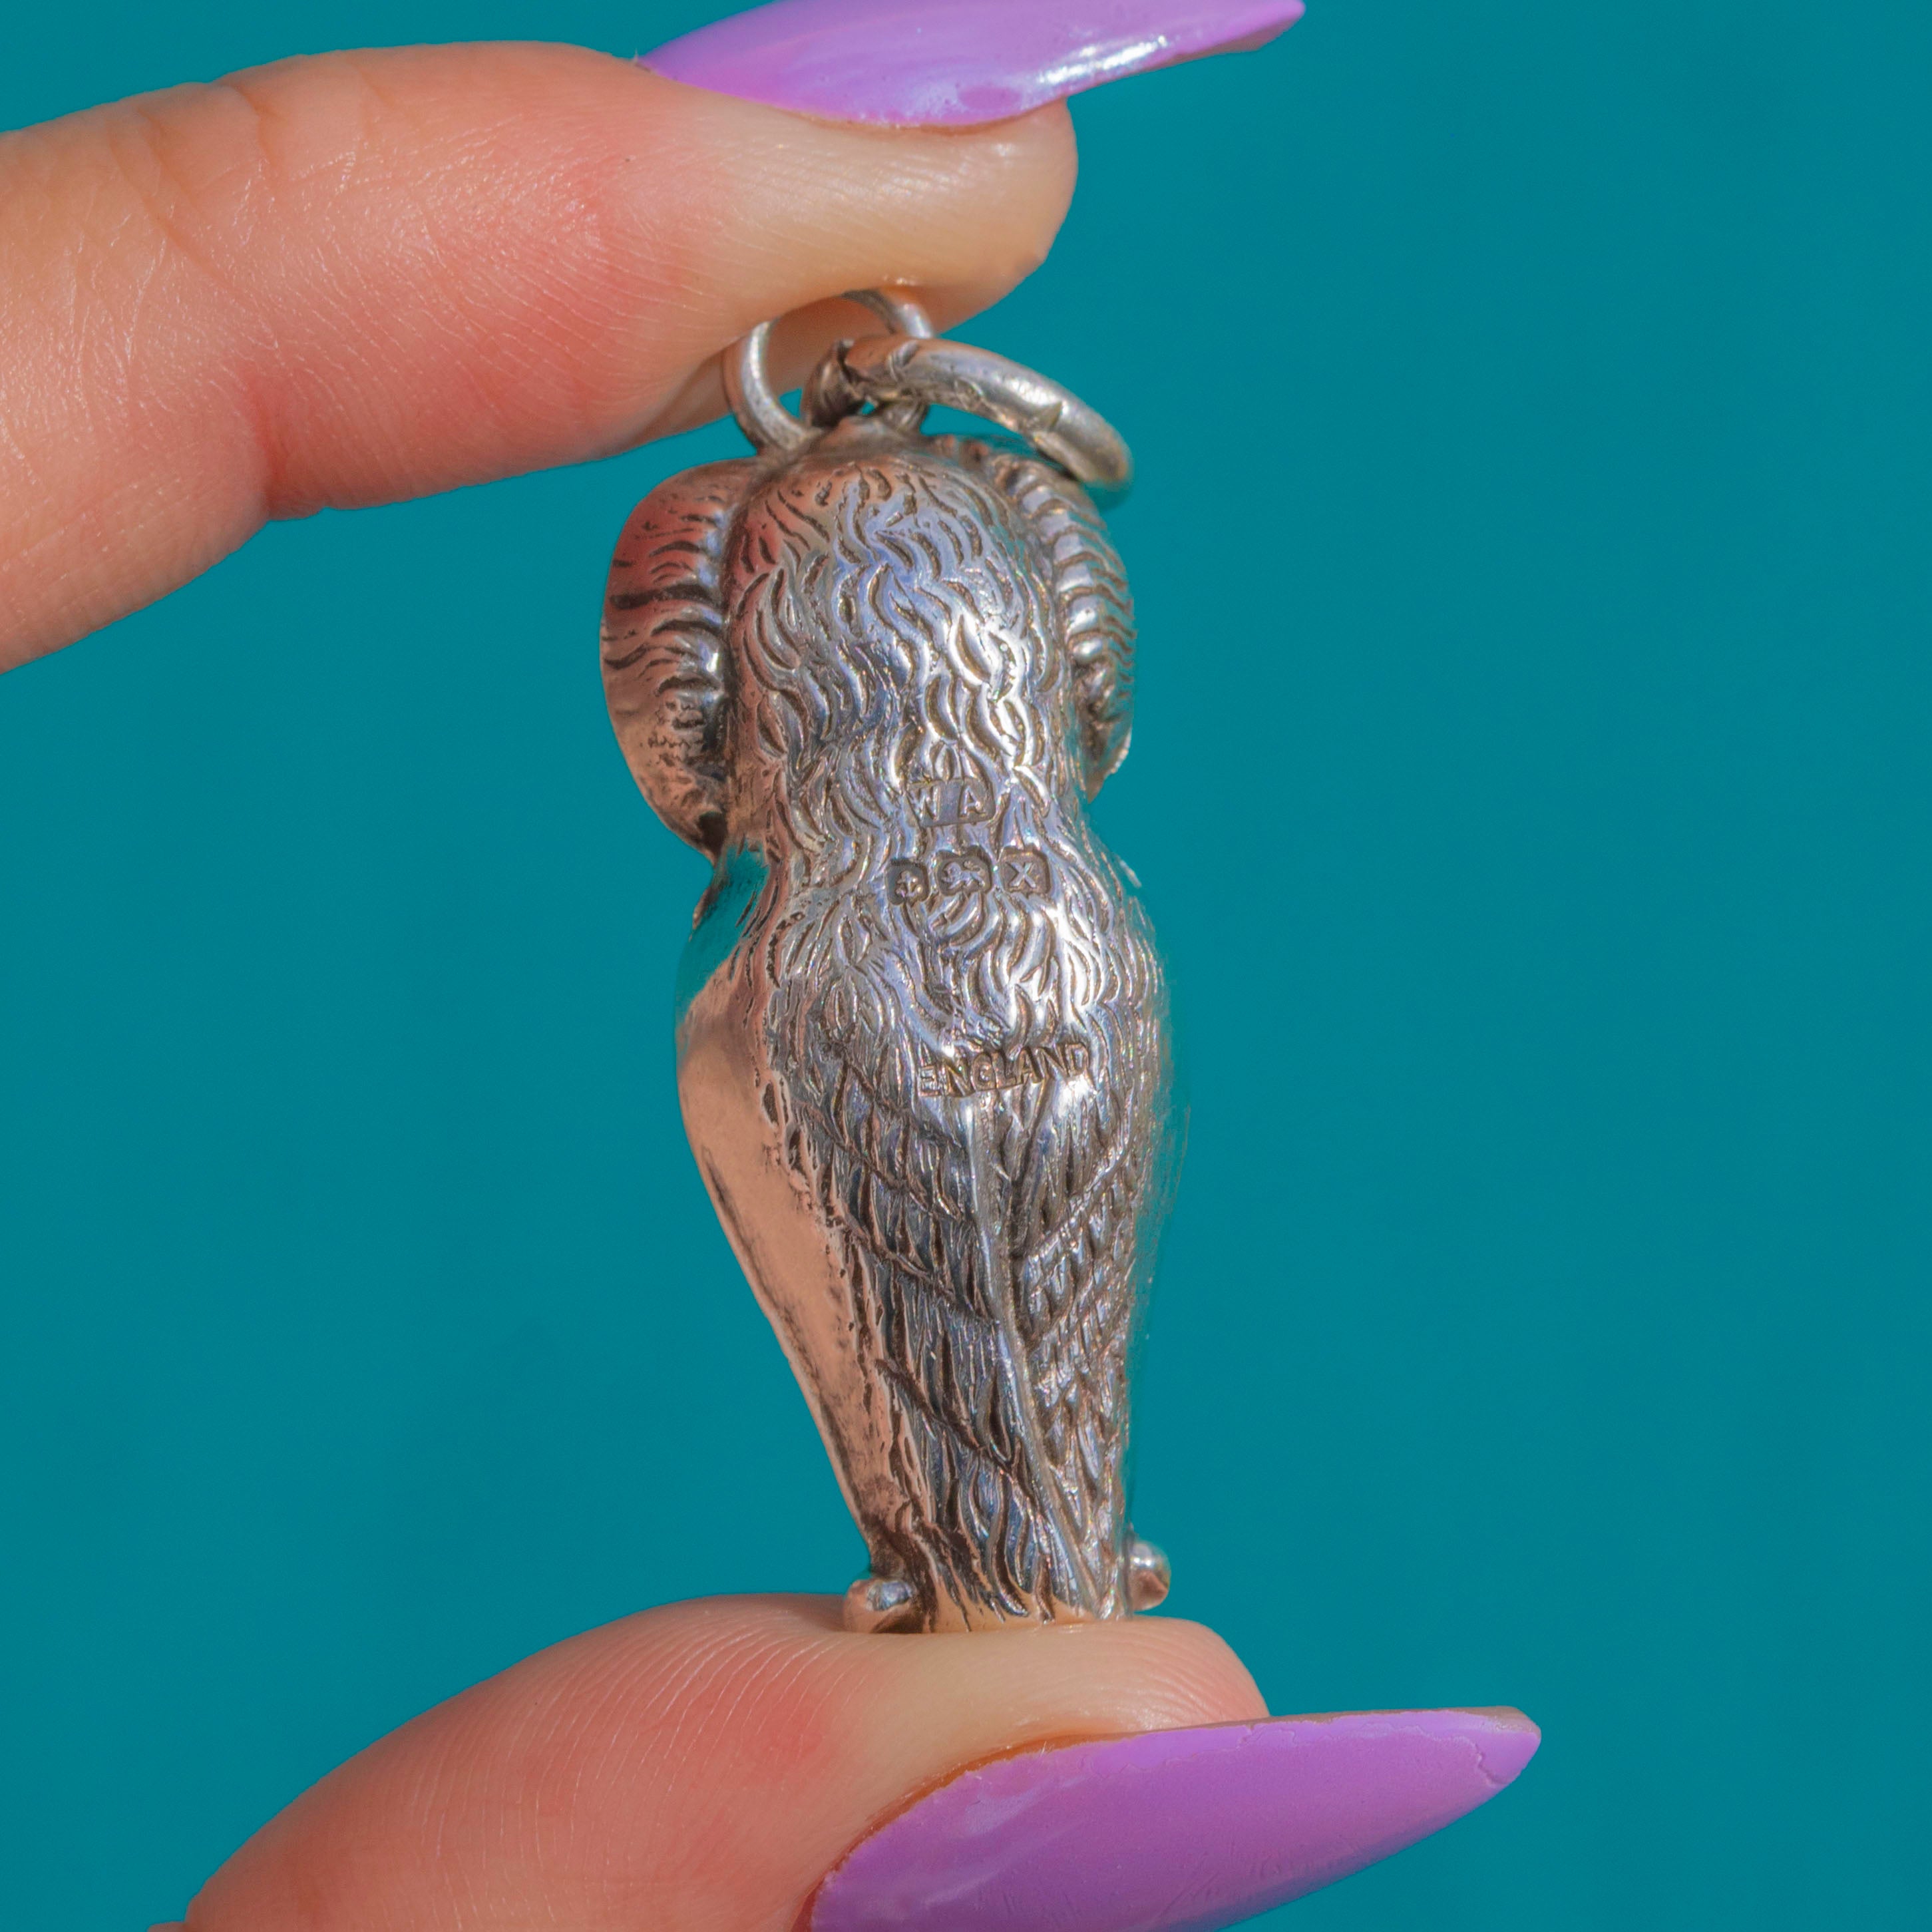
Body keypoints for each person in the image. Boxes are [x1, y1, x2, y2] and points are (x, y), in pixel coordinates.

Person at [0, 17, 1537, 1929]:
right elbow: (1102, 705)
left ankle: (959, 1568)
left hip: (825, 962)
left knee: (896, 1307)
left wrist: (771, 840)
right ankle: (1070, 1561)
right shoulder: (1023, 505)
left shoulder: (708, 529)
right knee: (1065, 1277)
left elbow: (684, 757)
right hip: (1060, 933)